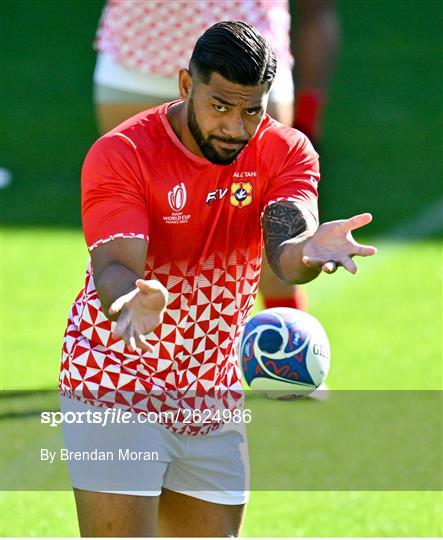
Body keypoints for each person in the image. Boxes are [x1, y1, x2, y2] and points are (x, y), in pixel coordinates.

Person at [60, 21, 375, 536]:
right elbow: (114, 266)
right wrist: (127, 304)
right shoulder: (123, 154)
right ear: (187, 85)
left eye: (252, 110)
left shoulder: (286, 153)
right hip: (116, 380)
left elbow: (286, 251)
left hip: (211, 389)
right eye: (221, 106)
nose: (235, 127)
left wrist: (309, 252)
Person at [92, 0, 340, 313]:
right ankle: (140, 340)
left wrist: (304, 248)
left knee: (266, 236)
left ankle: (285, 351)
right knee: (131, 224)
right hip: (142, 39)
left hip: (251, 47)